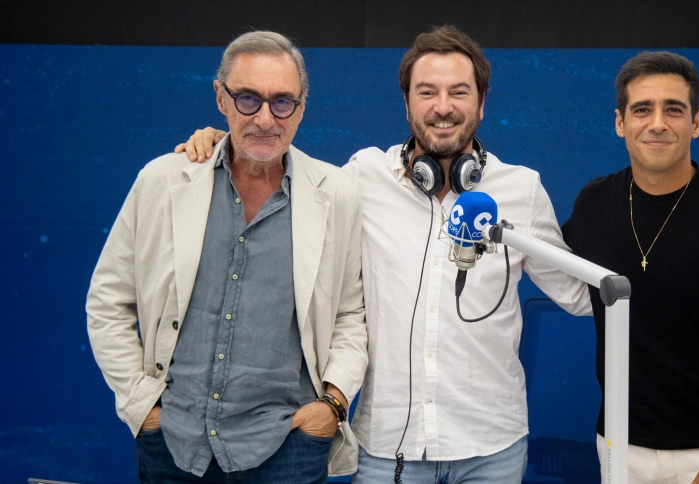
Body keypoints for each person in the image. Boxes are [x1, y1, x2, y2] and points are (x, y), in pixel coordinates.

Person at [178, 25, 591, 483]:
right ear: (408, 102)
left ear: (482, 101)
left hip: (492, 449)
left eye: (459, 92)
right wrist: (229, 141)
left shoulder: (523, 189)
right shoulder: (360, 176)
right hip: (388, 450)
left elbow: (578, 295)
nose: (443, 107)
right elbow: (283, 174)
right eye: (427, 92)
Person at [86, 31, 367, 484]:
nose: (264, 118)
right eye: (248, 99)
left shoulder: (336, 195)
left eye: (281, 102)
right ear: (220, 97)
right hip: (173, 443)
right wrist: (143, 407)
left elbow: (352, 314)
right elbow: (107, 303)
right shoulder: (162, 181)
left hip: (288, 447)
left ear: (300, 109)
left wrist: (332, 405)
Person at [561, 51, 699, 483]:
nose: (658, 123)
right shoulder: (593, 205)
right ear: (620, 123)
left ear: (696, 123)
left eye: (674, 110)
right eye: (642, 109)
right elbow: (544, 263)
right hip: (622, 451)